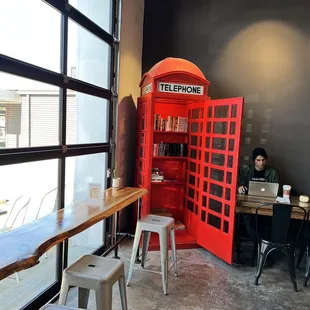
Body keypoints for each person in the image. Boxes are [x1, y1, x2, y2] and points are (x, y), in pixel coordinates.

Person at [237, 147, 279, 264]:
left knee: (266, 224)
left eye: (263, 160)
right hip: (250, 205)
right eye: (258, 160)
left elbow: (277, 190)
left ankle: (262, 249)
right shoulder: (247, 170)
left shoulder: (272, 172)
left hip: (266, 206)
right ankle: (262, 248)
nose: (261, 163)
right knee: (249, 221)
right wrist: (239, 187)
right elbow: (238, 183)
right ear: (253, 160)